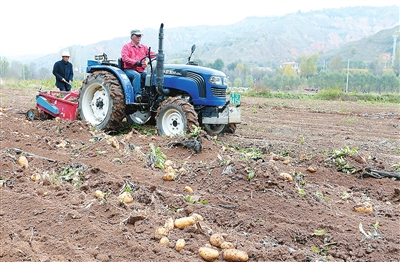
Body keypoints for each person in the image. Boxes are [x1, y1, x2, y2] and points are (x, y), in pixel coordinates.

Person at [121, 29, 156, 102]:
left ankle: (150, 95)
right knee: (136, 75)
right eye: (137, 36)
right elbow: (124, 58)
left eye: (140, 36)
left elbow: (151, 54)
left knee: (149, 76)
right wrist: (135, 62)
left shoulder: (143, 47)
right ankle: (137, 95)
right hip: (129, 70)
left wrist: (158, 55)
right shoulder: (126, 47)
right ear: (131, 36)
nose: (139, 37)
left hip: (140, 70)